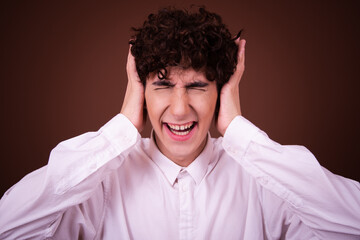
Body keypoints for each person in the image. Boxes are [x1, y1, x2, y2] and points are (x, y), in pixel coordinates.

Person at [0, 7, 359, 240]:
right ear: (141, 91)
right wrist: (124, 126)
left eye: (197, 86)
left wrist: (236, 128)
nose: (179, 108)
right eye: (163, 85)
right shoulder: (101, 182)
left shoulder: (263, 179)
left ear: (221, 90)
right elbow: (9, 227)